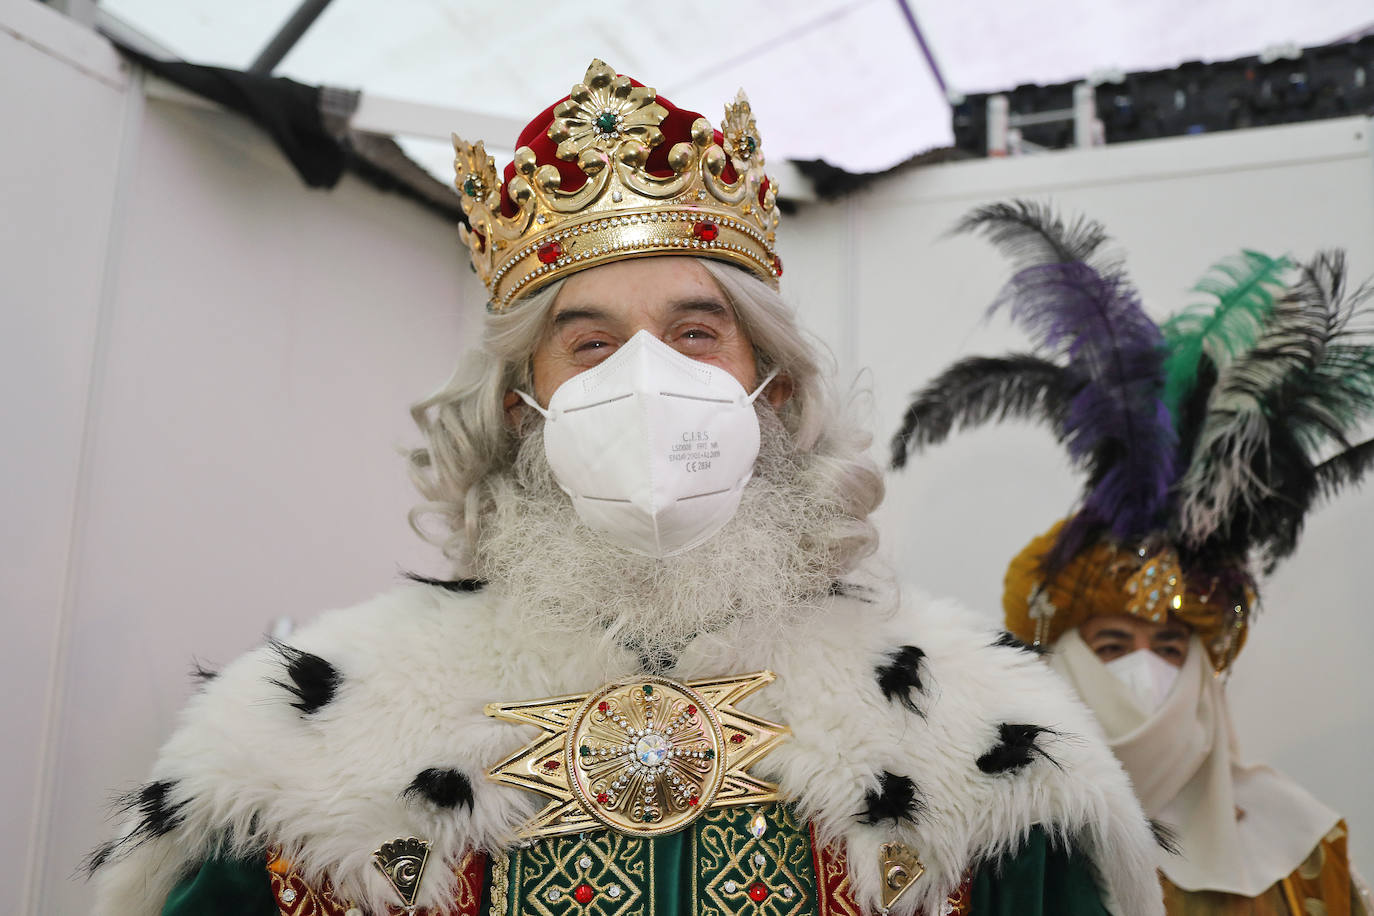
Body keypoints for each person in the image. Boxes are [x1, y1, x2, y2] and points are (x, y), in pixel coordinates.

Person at [88, 62, 1165, 916]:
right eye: (590, 343)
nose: (650, 379)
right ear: (522, 408)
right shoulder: (321, 737)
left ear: (773, 394)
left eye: (697, 334)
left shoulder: (971, 742)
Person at [893, 201, 1374, 915]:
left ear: (1210, 672)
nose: (1143, 675)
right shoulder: (985, 838)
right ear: (1056, 659)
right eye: (1112, 644)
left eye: (1172, 647)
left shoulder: (1299, 850)